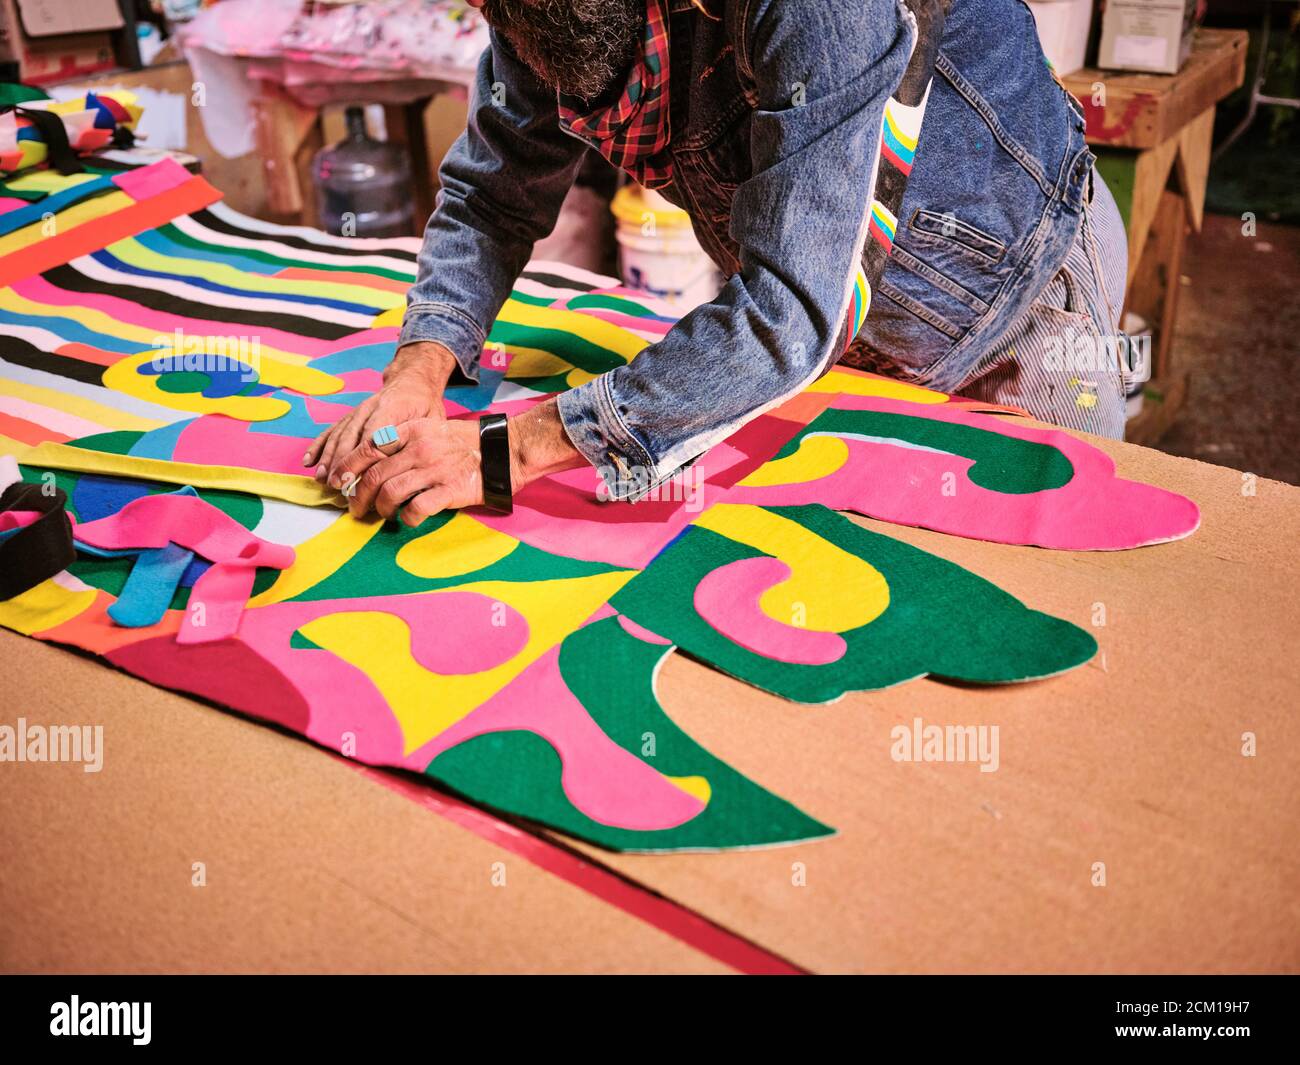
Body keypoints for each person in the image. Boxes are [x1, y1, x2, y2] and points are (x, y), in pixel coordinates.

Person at [305, 0, 1130, 525]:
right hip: (831, 355)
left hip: (1015, 306)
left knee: (1043, 581)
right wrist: (419, 369)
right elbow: (493, 195)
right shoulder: (535, 13)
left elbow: (788, 309)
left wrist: (503, 452)